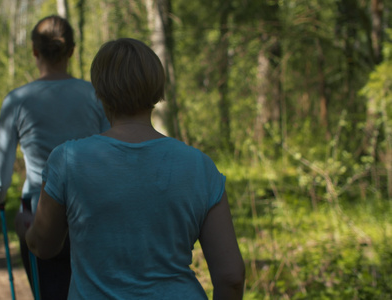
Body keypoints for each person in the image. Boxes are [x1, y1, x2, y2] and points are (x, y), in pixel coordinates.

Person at [22, 38, 245, 299]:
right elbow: (231, 276)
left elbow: (43, 246)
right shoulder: (200, 166)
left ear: (100, 92)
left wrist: (26, 229)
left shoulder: (68, 160)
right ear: (157, 89)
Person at [0, 15, 109, 299]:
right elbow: (110, 153)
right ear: (71, 51)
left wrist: (0, 196)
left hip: (38, 214)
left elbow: (0, 174)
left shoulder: (17, 101)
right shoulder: (96, 96)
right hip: (92, 213)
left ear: (34, 51)